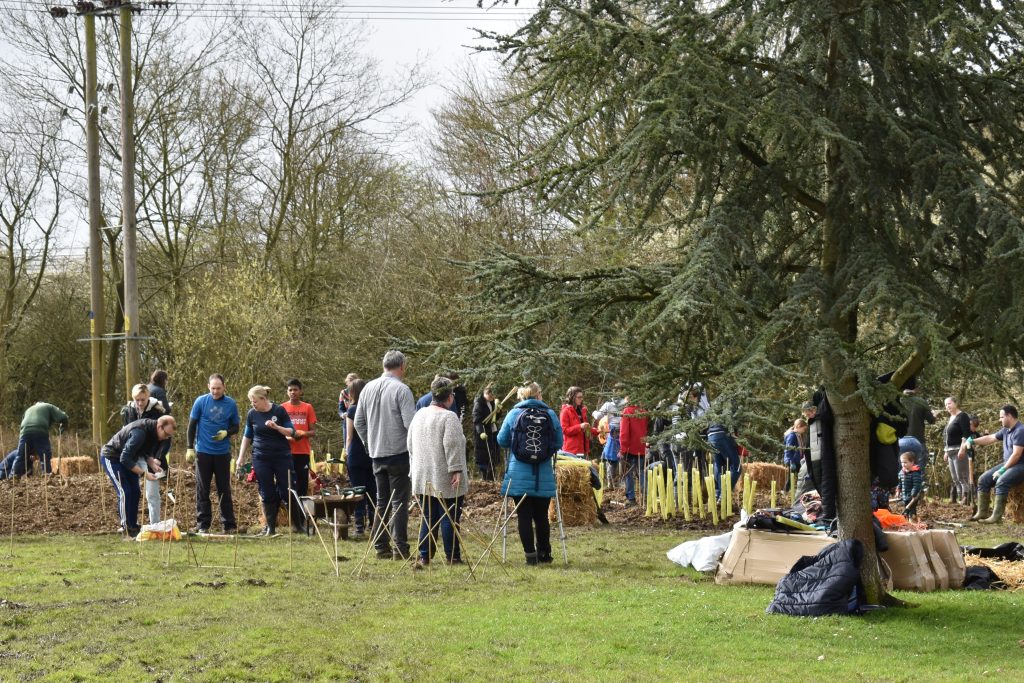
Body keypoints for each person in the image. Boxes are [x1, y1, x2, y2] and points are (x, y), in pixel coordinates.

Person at [354, 349, 416, 560]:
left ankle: (381, 546)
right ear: (402, 367)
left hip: (377, 454)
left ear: (384, 366)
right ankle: (400, 548)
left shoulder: (367, 388)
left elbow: (358, 422)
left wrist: (368, 444)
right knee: (399, 501)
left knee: (382, 502)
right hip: (398, 453)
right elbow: (410, 425)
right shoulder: (402, 390)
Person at [497, 382, 564, 565]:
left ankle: (530, 556)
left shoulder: (513, 414)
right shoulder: (549, 414)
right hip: (542, 473)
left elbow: (502, 440)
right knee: (541, 516)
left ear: (521, 396)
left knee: (524, 516)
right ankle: (544, 553)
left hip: (518, 474)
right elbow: (559, 442)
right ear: (539, 395)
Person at [408, 377, 469, 568]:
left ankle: (424, 556)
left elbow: (409, 444)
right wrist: (457, 469)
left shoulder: (419, 414)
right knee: (449, 517)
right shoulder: (448, 417)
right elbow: (453, 445)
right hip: (444, 475)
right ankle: (452, 556)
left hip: (422, 474)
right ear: (450, 397)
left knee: (429, 516)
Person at [235, 385, 299, 535]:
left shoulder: (279, 411)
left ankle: (298, 525)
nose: (252, 404)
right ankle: (270, 527)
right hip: (261, 457)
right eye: (251, 401)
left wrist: (277, 427)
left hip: (282, 456)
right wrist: (240, 457)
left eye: (254, 401)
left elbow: (292, 431)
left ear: (263, 399)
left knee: (287, 489)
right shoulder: (252, 414)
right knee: (266, 491)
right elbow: (247, 436)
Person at [100, 416, 176, 537]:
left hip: (129, 460)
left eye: (169, 436)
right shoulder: (139, 433)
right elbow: (124, 457)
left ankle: (133, 526)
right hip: (112, 457)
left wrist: (152, 464)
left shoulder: (154, 434)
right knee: (125, 491)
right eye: (166, 434)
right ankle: (126, 528)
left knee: (135, 491)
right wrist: (144, 473)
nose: (166, 438)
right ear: (159, 426)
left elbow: (145, 452)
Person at [186, 374, 241, 534]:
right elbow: (191, 426)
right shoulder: (201, 401)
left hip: (222, 453)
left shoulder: (231, 404)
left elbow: (236, 427)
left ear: (224, 387)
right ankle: (203, 524)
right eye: (213, 388)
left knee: (223, 488)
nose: (215, 391)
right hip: (203, 452)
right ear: (208, 386)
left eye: (218, 388)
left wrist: (227, 432)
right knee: (202, 488)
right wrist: (190, 447)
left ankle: (229, 525)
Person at [961, 405, 1024, 524]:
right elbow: (990, 438)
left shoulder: (1020, 431)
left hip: (1020, 465)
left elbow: (1016, 455)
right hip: (1009, 464)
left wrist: (1002, 470)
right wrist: (972, 441)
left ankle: (996, 517)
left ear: (1009, 416)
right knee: (983, 479)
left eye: (1001, 417)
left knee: (1001, 481)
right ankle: (982, 512)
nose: (999, 420)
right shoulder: (1006, 430)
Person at [121, 383, 168, 524]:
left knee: (152, 493)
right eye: (137, 399)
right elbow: (126, 434)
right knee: (131, 491)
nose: (140, 403)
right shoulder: (128, 411)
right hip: (133, 455)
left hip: (152, 455)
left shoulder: (158, 411)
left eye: (143, 399)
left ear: (148, 396)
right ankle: (129, 524)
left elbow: (166, 438)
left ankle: (155, 524)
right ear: (133, 398)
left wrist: (158, 457)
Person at [344, 379, 376, 538]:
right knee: (372, 489)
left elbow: (349, 435)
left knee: (358, 490)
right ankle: (374, 523)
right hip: (372, 453)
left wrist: (346, 452)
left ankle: (359, 527)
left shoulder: (352, 410)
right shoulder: (372, 408)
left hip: (356, 452)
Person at [282, 378, 317, 497]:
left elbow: (313, 432)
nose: (293, 392)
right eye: (290, 390)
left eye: (295, 390)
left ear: (301, 391)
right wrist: (287, 437)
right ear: (287, 392)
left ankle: (301, 512)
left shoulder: (308, 407)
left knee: (302, 484)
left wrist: (302, 433)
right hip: (285, 451)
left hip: (303, 451)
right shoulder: (281, 408)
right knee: (288, 483)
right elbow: (277, 431)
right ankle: (290, 510)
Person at [16, 402, 69, 475]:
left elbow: (23, 423)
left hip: (24, 432)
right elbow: (63, 416)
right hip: (39, 429)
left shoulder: (28, 409)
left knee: (21, 455)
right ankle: (47, 474)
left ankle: (14, 476)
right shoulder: (48, 406)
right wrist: (64, 424)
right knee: (45, 454)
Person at [942, 396, 972, 505]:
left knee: (962, 476)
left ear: (956, 403)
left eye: (949, 403)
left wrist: (962, 448)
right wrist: (945, 451)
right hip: (949, 451)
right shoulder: (950, 418)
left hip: (958, 450)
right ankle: (960, 498)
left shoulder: (962, 416)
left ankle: (966, 498)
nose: (947, 406)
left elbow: (966, 433)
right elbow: (947, 437)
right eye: (945, 405)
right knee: (955, 477)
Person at [620, 397, 649, 505]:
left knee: (628, 474)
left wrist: (623, 449)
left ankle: (631, 498)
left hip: (630, 448)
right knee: (642, 472)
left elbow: (624, 433)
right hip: (641, 447)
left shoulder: (627, 411)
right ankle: (646, 497)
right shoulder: (644, 412)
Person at [595, 391, 625, 484]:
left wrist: (594, 412)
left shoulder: (609, 405)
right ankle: (615, 483)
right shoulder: (624, 403)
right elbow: (598, 415)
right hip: (619, 432)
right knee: (617, 458)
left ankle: (613, 483)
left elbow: (597, 415)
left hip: (616, 432)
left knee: (615, 459)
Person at [471, 384, 501, 481]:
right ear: (486, 394)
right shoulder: (479, 403)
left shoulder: (491, 402)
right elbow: (476, 420)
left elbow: (494, 417)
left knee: (493, 457)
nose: (493, 398)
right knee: (484, 458)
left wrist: (499, 411)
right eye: (491, 396)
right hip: (483, 433)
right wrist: (481, 432)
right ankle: (485, 479)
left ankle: (492, 478)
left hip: (492, 431)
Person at [559, 386, 596, 457]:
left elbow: (586, 428)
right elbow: (565, 430)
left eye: (582, 397)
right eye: (579, 397)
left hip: (583, 450)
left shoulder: (582, 410)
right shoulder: (565, 411)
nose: (581, 399)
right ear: (572, 397)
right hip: (571, 451)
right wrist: (580, 426)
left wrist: (597, 431)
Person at [898, 451, 924, 517]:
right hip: (905, 495)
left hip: (913, 496)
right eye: (902, 462)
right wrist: (898, 489)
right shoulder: (902, 472)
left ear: (912, 462)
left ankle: (912, 519)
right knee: (907, 507)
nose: (903, 464)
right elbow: (900, 482)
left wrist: (914, 493)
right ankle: (907, 520)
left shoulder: (915, 473)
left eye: (905, 462)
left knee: (912, 509)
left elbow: (917, 485)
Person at [783, 418, 807, 490]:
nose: (804, 431)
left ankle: (796, 490)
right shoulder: (792, 435)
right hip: (792, 461)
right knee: (790, 478)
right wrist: (791, 462)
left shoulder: (798, 435)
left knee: (800, 476)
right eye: (804, 429)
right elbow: (788, 450)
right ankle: (785, 491)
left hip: (797, 460)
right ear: (799, 426)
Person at [339, 372, 360, 446]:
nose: (350, 385)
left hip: (359, 419)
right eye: (349, 382)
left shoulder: (361, 392)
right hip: (347, 420)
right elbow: (341, 409)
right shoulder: (343, 393)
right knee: (348, 443)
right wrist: (342, 415)